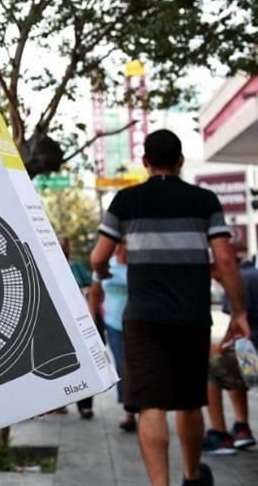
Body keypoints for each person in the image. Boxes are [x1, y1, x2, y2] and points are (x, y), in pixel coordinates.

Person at [90, 129, 250, 486]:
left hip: (144, 318)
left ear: (145, 162)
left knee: (151, 404)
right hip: (191, 316)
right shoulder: (204, 200)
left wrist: (103, 273)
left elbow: (99, 257)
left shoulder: (125, 201)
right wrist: (239, 312)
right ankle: (191, 476)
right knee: (190, 401)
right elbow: (225, 259)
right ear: (180, 161)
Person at [202, 245, 258, 454]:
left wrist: (217, 349)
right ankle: (242, 427)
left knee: (209, 366)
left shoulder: (235, 282)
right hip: (250, 354)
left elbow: (235, 330)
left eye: (212, 272)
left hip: (254, 358)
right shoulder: (252, 274)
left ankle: (219, 434)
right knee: (232, 360)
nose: (213, 278)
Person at [87, 239, 136, 432]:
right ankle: (129, 411)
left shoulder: (137, 265)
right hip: (113, 324)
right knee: (121, 364)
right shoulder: (105, 265)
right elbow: (94, 292)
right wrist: (92, 317)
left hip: (136, 324)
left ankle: (140, 405)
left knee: (136, 364)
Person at [61, 236, 97, 419]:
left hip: (78, 318)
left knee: (83, 361)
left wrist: (84, 292)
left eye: (63, 247)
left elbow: (91, 285)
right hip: (59, 322)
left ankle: (85, 405)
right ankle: (58, 402)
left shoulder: (75, 268)